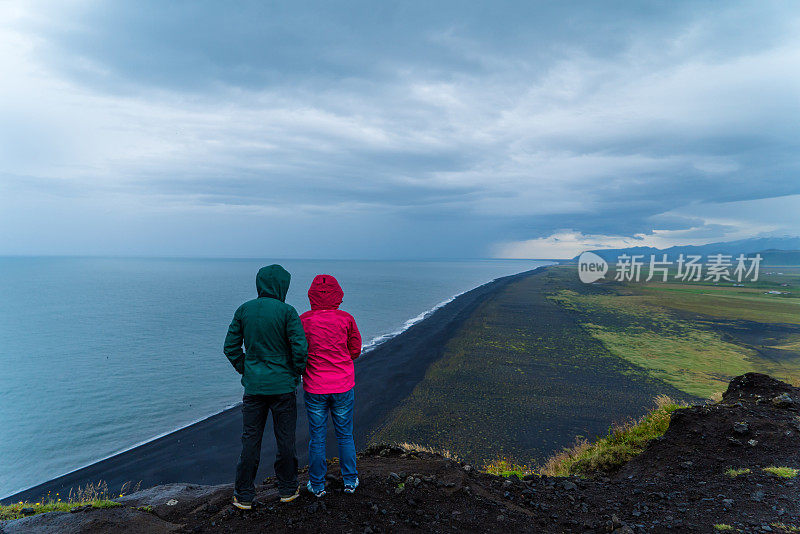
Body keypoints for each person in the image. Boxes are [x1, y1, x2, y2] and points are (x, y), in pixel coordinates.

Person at [224, 264, 308, 509]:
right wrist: (294, 372)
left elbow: (230, 348)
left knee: (250, 440)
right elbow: (300, 349)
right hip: (283, 387)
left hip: (253, 388)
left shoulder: (244, 310)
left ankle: (244, 495)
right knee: (285, 440)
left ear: (259, 283)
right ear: (283, 285)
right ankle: (288, 490)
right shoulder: (288, 312)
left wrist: (246, 368)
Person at [300, 274, 362, 497]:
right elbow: (355, 350)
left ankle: (317, 485)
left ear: (311, 296)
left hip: (315, 387)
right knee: (345, 435)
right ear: (338, 295)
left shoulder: (303, 320)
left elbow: (298, 351)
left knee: (317, 437)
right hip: (343, 385)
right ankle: (350, 481)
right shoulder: (346, 319)